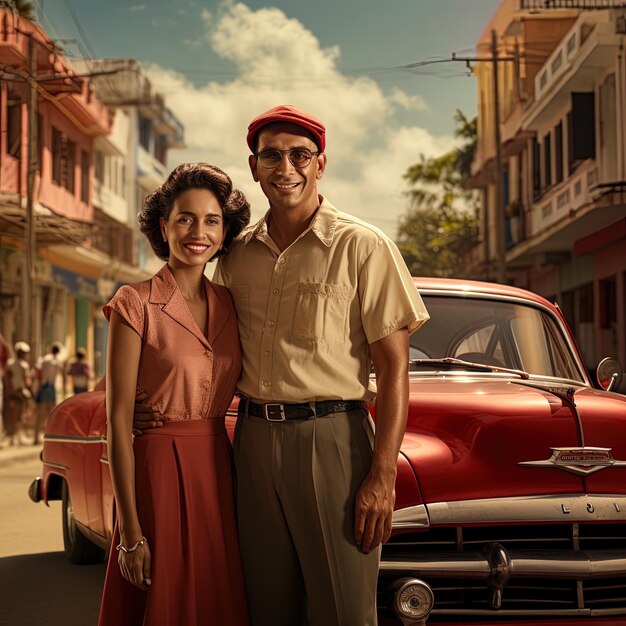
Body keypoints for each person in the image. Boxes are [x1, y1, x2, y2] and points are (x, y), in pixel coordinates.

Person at [134, 105, 429, 626]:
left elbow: (395, 368)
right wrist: (154, 407)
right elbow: (195, 341)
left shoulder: (364, 246)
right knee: (265, 606)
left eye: (300, 155)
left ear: (321, 164)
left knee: (341, 610)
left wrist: (383, 474)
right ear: (254, 166)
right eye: (272, 155)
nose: (285, 167)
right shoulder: (234, 254)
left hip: (333, 440)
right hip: (250, 443)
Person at [97, 162, 251, 626]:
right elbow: (118, 423)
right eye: (185, 218)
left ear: (225, 233)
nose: (197, 232)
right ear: (163, 228)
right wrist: (129, 532)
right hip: (156, 473)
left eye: (211, 220)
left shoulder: (232, 303)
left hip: (217, 470)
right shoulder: (135, 302)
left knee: (216, 600)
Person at [33, 341, 65, 444]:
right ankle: (50, 438)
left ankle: (36, 438)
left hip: (43, 387)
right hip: (50, 387)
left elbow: (37, 373)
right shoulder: (57, 362)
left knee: (40, 413)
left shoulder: (44, 359)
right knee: (51, 413)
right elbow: (62, 375)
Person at [5, 341, 33, 446]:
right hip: (22, 392)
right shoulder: (24, 365)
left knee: (13, 415)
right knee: (21, 415)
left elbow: (8, 380)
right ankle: (19, 436)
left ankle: (12, 437)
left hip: (12, 392)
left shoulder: (10, 364)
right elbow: (27, 381)